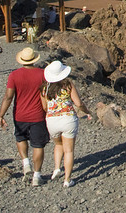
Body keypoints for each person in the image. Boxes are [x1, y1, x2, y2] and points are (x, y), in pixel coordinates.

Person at [0, 47, 49, 186]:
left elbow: (8, 97)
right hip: (38, 115)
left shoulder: (14, 75)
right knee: (38, 145)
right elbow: (47, 94)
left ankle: (26, 163)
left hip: (20, 114)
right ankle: (37, 175)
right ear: (34, 59)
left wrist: (1, 114)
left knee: (20, 137)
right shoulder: (42, 74)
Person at [40, 60, 91, 188]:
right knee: (69, 151)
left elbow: (44, 107)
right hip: (68, 119)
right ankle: (67, 180)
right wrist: (87, 112)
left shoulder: (44, 88)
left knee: (58, 144)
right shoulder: (68, 85)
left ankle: (57, 168)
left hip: (52, 120)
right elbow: (78, 103)